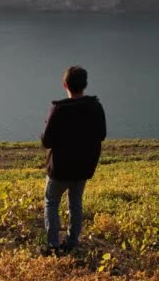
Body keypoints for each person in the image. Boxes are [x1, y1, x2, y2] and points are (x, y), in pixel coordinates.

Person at [40, 66, 106, 256]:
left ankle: (53, 245)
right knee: (75, 202)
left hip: (60, 170)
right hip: (83, 168)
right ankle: (72, 242)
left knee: (51, 202)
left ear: (65, 85)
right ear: (85, 85)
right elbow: (101, 135)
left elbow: (47, 142)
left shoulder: (59, 110)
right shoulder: (95, 107)